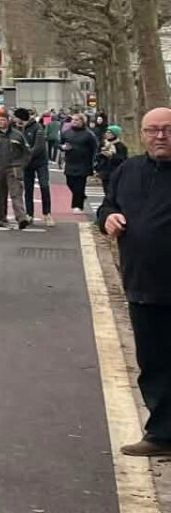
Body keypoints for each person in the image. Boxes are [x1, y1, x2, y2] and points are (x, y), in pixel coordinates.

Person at [96, 107, 171, 457]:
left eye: (168, 130)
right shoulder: (128, 171)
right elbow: (107, 205)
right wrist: (107, 217)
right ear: (141, 134)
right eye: (153, 130)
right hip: (142, 285)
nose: (160, 136)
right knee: (154, 364)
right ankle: (161, 434)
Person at [0, 112, 32, 230]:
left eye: (2, 120)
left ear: (8, 121)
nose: (0, 122)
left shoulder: (17, 135)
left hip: (13, 168)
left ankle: (21, 218)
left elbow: (26, 152)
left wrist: (21, 165)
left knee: (16, 193)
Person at [16, 108, 53, 227]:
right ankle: (29, 214)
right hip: (27, 163)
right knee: (28, 188)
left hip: (40, 162)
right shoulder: (17, 129)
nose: (14, 120)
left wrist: (27, 155)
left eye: (16, 118)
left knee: (44, 185)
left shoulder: (37, 128)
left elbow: (39, 147)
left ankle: (47, 213)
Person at [61, 114, 101, 213]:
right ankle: (81, 196)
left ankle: (77, 206)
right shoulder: (67, 132)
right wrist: (63, 147)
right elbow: (60, 143)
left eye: (77, 120)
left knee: (79, 184)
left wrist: (94, 161)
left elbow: (95, 147)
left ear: (82, 121)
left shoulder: (88, 134)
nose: (74, 121)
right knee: (70, 182)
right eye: (73, 120)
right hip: (70, 161)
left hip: (83, 163)